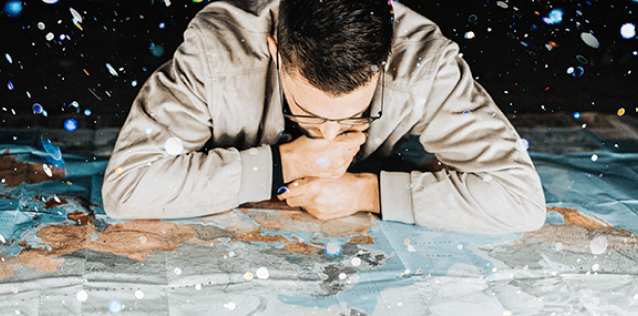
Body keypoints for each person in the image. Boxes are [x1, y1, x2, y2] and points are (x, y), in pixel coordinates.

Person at [102, 0, 547, 234]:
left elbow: (520, 200)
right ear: (275, 49)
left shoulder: (424, 63)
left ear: (386, 58)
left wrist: (366, 192)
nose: (331, 138)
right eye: (310, 115)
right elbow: (128, 187)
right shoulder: (214, 53)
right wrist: (286, 163)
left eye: (354, 116)